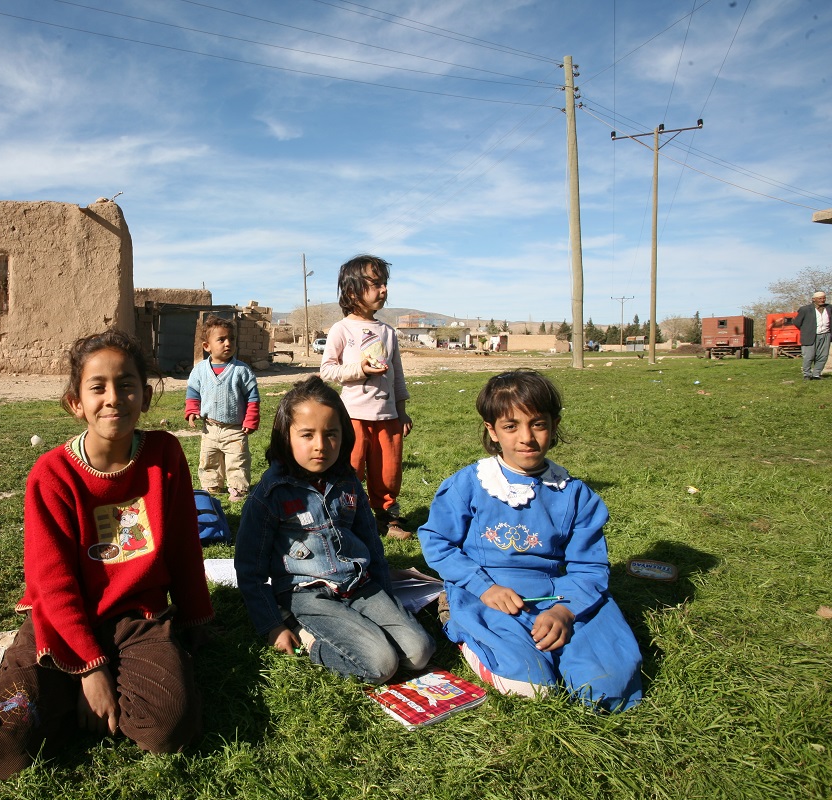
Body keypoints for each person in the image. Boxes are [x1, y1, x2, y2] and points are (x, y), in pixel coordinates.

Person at [0, 329, 214, 780]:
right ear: (75, 402)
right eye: (97, 387)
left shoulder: (163, 455)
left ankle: (108, 672)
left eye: (126, 385)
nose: (113, 398)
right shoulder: (53, 475)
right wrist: (89, 668)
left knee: (169, 728)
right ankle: (5, 652)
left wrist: (196, 617)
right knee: (7, 750)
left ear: (145, 394)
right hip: (62, 618)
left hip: (137, 615)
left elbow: (182, 544)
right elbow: (53, 582)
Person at [417, 370, 643, 712]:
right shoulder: (469, 484)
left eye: (537, 424)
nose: (527, 438)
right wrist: (483, 587)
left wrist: (566, 611)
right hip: (490, 594)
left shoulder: (576, 495)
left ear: (554, 425)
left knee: (607, 686)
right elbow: (437, 542)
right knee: (530, 685)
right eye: (511, 426)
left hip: (561, 593)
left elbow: (589, 567)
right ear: (492, 430)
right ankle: (465, 629)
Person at [235, 375, 435, 684]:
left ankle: (363, 626)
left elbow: (372, 544)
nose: (320, 446)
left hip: (360, 585)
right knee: (382, 664)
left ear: (344, 436)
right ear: (285, 437)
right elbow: (250, 569)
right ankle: (310, 638)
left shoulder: (348, 482)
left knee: (419, 652)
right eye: (307, 435)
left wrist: (385, 597)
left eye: (331, 434)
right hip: (307, 594)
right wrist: (272, 625)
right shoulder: (270, 496)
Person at [319, 255, 414, 539]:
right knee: (350, 470)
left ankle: (387, 519)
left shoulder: (388, 332)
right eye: (375, 284)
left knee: (389, 471)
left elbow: (397, 375)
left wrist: (402, 410)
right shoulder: (342, 329)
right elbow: (327, 370)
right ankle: (343, 518)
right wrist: (359, 369)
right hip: (353, 417)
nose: (383, 290)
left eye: (384, 284)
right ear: (351, 292)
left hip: (388, 417)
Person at [184, 315, 261, 502]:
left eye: (231, 339)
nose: (228, 343)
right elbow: (193, 393)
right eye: (221, 339)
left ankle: (238, 489)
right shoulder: (200, 370)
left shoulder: (242, 370)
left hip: (235, 429)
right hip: (210, 428)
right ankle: (212, 485)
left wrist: (250, 420)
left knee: (237, 460)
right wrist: (192, 411)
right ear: (206, 346)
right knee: (209, 459)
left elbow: (252, 398)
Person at [791, 290, 829, 380]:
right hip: (809, 336)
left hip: (825, 334)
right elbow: (797, 322)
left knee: (823, 356)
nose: (822, 300)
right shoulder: (805, 309)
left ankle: (816, 374)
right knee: (809, 356)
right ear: (814, 299)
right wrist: (806, 330)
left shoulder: (829, 308)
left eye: (824, 298)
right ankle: (807, 374)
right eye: (820, 298)